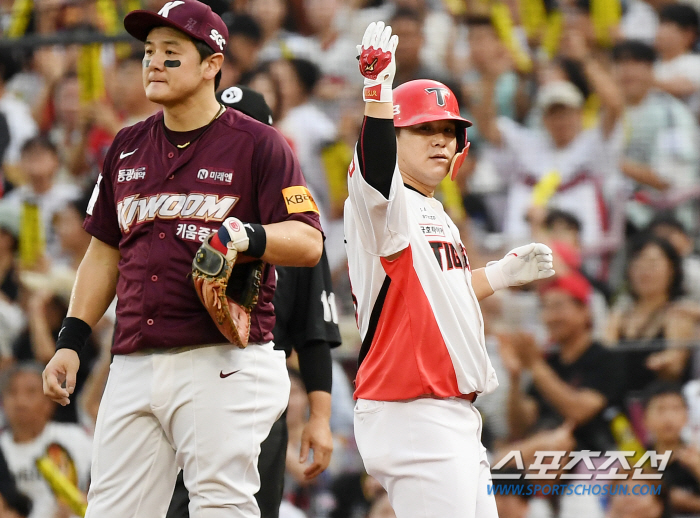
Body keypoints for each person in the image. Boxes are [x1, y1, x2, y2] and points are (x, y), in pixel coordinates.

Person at [41, 2, 323, 517]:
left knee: (220, 507)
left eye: (171, 53)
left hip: (223, 359)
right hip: (135, 358)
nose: (154, 63)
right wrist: (71, 341)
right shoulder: (126, 146)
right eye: (149, 52)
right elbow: (104, 251)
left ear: (212, 64)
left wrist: (246, 236)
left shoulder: (259, 143)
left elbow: (308, 241)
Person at [345, 22, 554, 518]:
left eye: (448, 132)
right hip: (413, 407)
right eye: (423, 129)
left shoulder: (434, 210)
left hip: (448, 412)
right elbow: (373, 168)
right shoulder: (383, 200)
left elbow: (441, 291)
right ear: (393, 136)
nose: (440, 140)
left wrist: (499, 276)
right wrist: (377, 94)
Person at [165, 85, 341, 518]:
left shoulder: (299, 233)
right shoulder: (183, 213)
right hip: (185, 384)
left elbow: (314, 333)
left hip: (258, 392)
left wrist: (319, 418)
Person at [0, 362, 92, 518]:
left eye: (31, 392)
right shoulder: (2, 448)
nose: (20, 401)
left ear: (49, 400)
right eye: (12, 392)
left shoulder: (76, 438)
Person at [643, 381, 700, 515]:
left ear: (687, 416)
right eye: (660, 409)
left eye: (676, 409)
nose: (668, 418)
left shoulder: (695, 456)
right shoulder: (637, 459)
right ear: (645, 418)